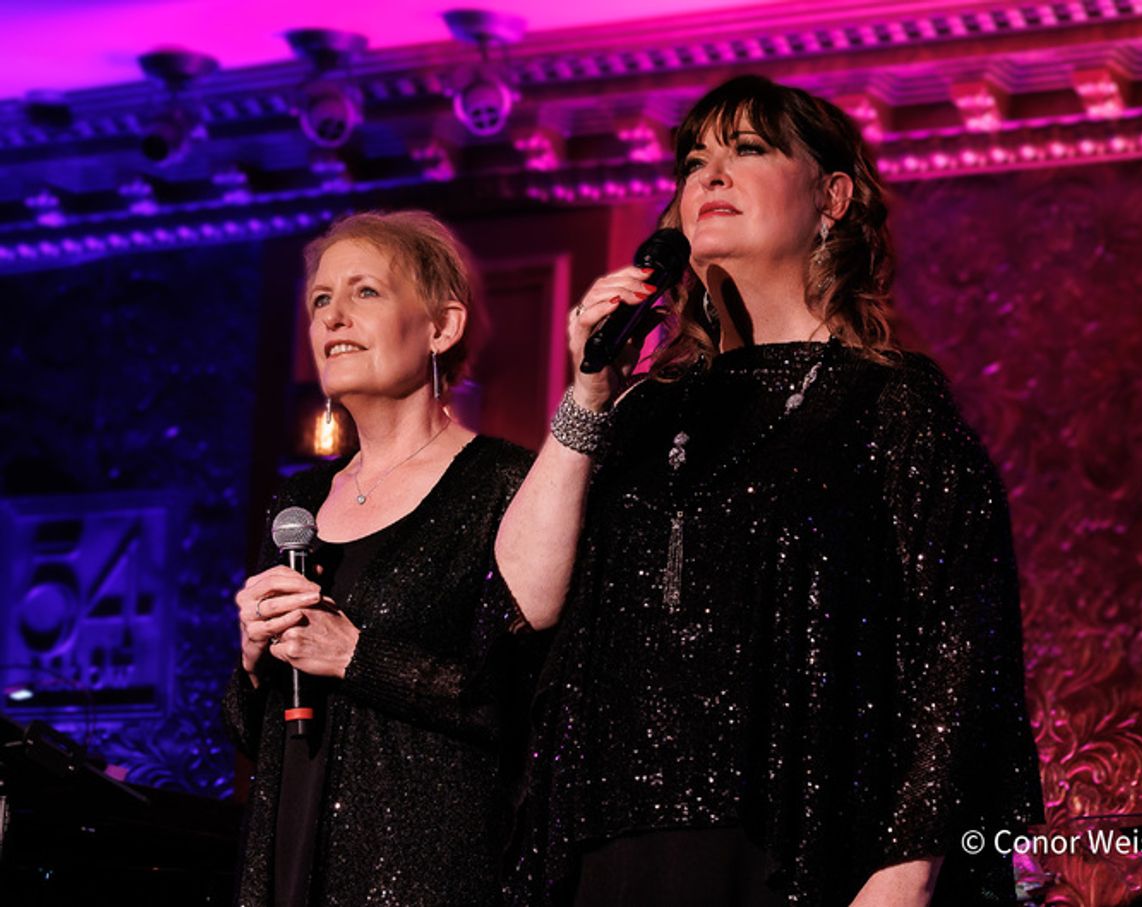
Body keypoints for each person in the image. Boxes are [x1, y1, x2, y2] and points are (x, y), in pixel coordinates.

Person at [495, 75, 1044, 906]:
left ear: (832, 196)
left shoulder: (892, 404)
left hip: (797, 847)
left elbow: (962, 652)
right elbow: (527, 600)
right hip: (609, 844)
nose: (709, 175)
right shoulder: (640, 412)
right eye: (694, 161)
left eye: (747, 149)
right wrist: (587, 396)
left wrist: (908, 867)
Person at [222, 210, 536, 906]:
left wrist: (358, 657)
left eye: (364, 292)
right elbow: (252, 733)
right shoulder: (298, 502)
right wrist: (250, 661)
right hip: (288, 854)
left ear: (442, 327)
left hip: (429, 865)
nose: (334, 317)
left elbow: (523, 703)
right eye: (320, 301)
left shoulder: (504, 485)